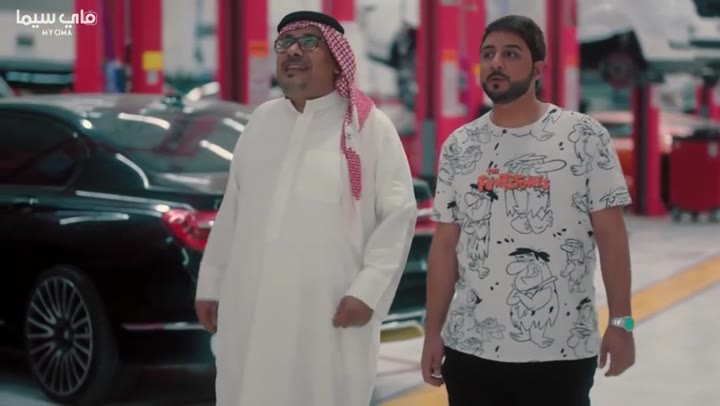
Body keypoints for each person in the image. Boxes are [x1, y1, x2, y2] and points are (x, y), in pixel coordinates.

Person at [194, 10, 417, 406]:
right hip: (252, 302)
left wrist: (368, 291)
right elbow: (233, 211)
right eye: (285, 42)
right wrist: (211, 284)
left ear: (337, 59)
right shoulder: (261, 122)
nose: (293, 51)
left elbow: (397, 216)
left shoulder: (369, 128)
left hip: (329, 310)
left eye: (309, 42)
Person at [421, 15, 635, 406]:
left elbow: (612, 237)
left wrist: (622, 322)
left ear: (538, 69)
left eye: (511, 54)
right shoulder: (460, 145)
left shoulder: (583, 136)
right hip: (470, 348)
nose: (496, 63)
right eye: (488, 53)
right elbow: (445, 246)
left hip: (562, 351)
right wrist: (432, 331)